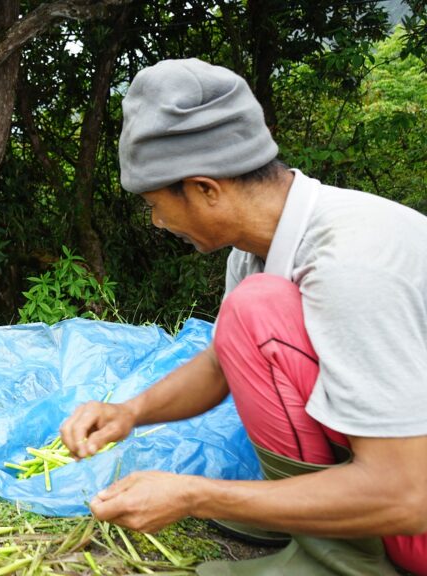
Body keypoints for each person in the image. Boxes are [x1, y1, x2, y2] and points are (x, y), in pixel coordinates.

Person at [59, 59, 427, 575]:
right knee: (250, 314)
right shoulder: (256, 250)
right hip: (403, 487)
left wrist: (196, 495)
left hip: (413, 515)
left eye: (156, 204)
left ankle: (342, 559)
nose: (157, 222)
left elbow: (409, 496)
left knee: (254, 308)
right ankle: (321, 524)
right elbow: (220, 365)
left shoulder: (351, 264)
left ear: (206, 188)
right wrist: (129, 413)